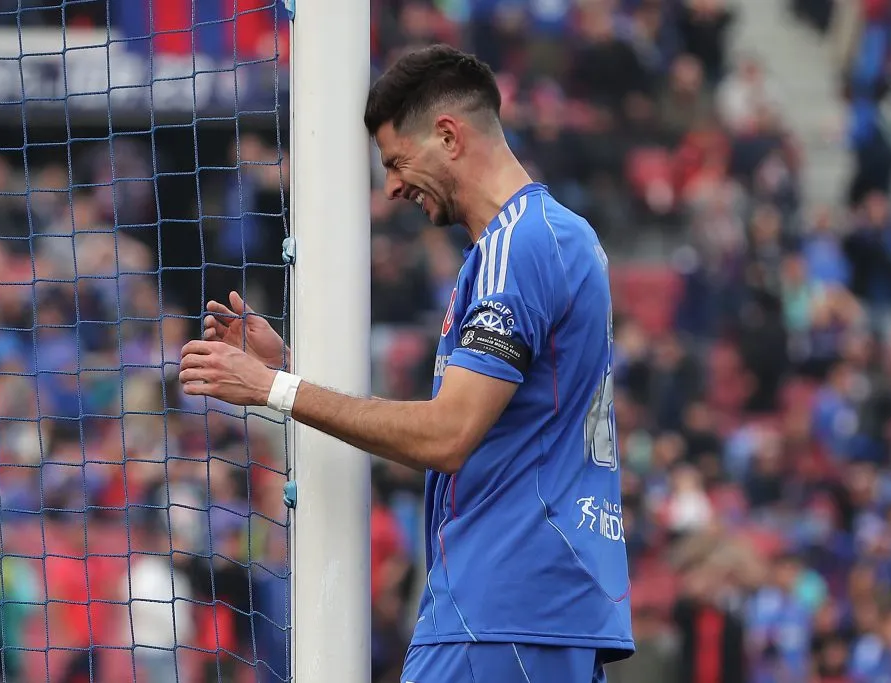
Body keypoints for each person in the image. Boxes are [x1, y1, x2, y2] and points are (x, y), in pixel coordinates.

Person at [178, 44, 634, 682]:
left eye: (396, 161)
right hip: (532, 605)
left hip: (504, 608)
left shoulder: (520, 245)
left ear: (448, 136)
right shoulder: (532, 244)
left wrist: (277, 387)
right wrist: (288, 370)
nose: (391, 186)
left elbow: (446, 435)